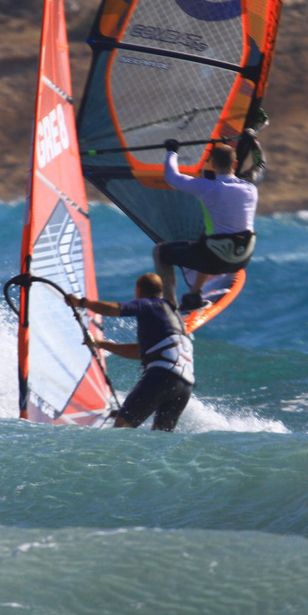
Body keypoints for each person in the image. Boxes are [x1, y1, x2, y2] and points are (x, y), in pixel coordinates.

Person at [66, 272, 194, 432]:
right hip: (185, 384)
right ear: (160, 291)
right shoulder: (172, 316)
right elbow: (139, 352)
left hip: (163, 375)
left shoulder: (149, 304)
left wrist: (81, 303)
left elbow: (115, 309)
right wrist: (99, 344)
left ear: (139, 290)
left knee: (122, 427)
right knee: (161, 436)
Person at [153, 138, 259, 311]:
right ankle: (194, 294)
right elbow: (259, 167)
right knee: (205, 241)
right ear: (235, 164)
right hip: (242, 258)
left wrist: (172, 151)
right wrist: (252, 142)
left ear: (212, 164)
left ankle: (169, 304)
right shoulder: (251, 189)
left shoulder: (207, 187)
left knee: (160, 252)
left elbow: (172, 178)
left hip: (215, 259)